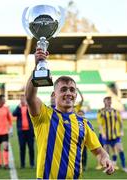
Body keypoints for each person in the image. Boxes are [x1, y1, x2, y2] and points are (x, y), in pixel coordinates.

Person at [25, 48, 114, 179]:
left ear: (76, 95)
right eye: (64, 89)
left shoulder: (83, 123)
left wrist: (105, 159)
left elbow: (99, 151)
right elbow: (30, 97)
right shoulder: (44, 114)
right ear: (54, 95)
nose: (68, 93)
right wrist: (37, 68)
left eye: (72, 90)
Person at [97, 96, 127, 172]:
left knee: (120, 149)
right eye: (107, 101)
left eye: (110, 101)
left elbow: (120, 122)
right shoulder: (101, 111)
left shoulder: (115, 111)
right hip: (106, 135)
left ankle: (124, 166)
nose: (109, 102)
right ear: (104, 102)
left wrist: (121, 131)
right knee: (107, 152)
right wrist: (103, 133)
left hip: (115, 135)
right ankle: (109, 167)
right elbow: (100, 124)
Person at [12, 95, 35, 169]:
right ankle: (22, 164)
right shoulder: (18, 108)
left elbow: (34, 113)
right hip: (21, 132)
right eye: (21, 99)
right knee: (22, 148)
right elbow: (13, 114)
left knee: (31, 148)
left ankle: (32, 163)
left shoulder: (29, 107)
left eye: (24, 99)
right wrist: (18, 107)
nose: (22, 101)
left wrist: (28, 106)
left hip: (30, 131)